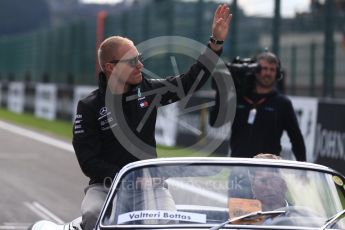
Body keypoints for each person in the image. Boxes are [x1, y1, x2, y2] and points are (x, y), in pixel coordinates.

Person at [72, 4, 232, 230]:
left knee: (166, 220)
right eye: (132, 61)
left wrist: (215, 44)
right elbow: (88, 161)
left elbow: (190, 81)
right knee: (92, 214)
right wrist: (125, 176)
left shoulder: (148, 91)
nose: (140, 65)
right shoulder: (89, 106)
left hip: (150, 185)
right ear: (110, 67)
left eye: (139, 57)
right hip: (106, 186)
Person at [210, 51, 306, 161]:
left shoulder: (282, 103)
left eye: (272, 70)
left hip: (268, 169)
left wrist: (304, 170)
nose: (268, 73)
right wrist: (220, 93)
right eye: (264, 68)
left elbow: (296, 138)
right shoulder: (239, 99)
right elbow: (215, 122)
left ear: (277, 73)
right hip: (238, 166)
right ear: (255, 71)